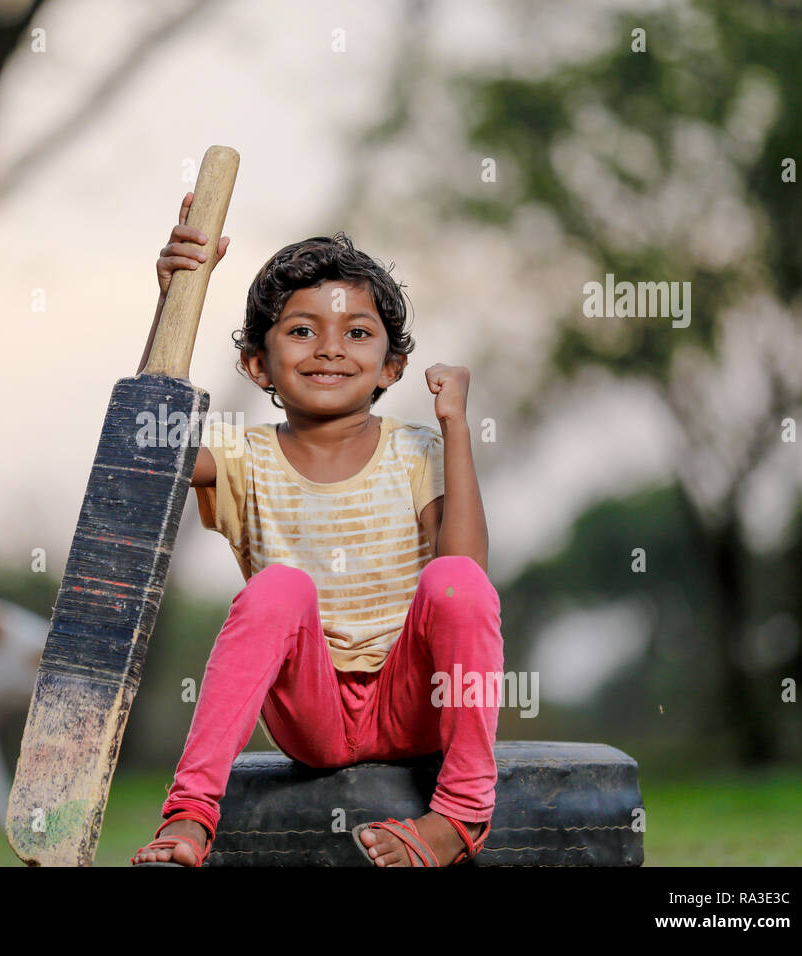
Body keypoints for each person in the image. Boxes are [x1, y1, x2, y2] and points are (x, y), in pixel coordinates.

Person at [130, 192, 503, 867]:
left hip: (410, 699)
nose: (330, 348)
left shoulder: (415, 450)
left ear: (391, 367)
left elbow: (469, 574)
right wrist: (177, 298)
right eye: (302, 331)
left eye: (357, 332)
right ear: (257, 364)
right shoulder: (241, 457)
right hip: (314, 711)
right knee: (278, 589)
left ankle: (461, 815)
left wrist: (454, 428)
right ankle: (189, 817)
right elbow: (146, 451)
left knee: (452, 583)